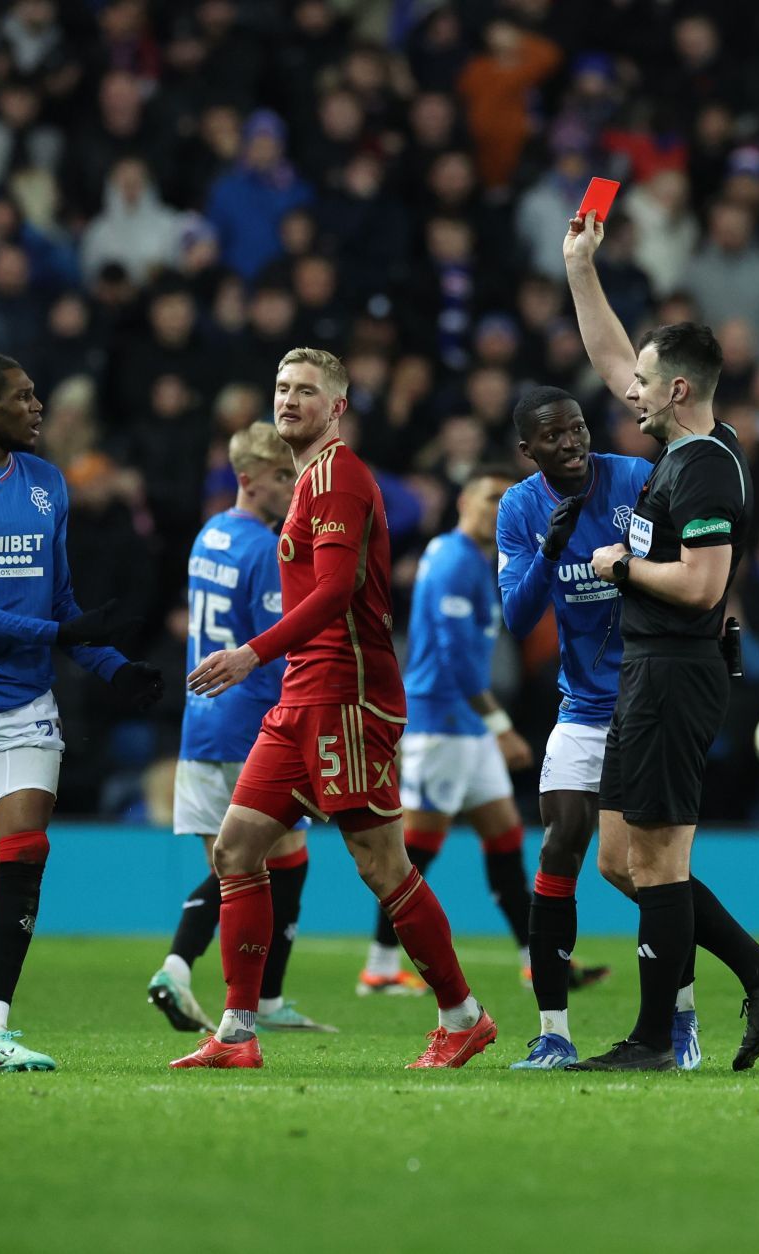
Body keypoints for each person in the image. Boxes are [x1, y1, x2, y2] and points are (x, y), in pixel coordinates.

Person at [173, 348, 494, 1070]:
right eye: (282, 387)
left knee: (382, 864)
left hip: (346, 696)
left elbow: (335, 590)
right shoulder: (310, 481)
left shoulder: (340, 477)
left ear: (337, 407)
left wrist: (252, 653)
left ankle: (463, 1016)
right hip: (302, 697)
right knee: (236, 850)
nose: (289, 399)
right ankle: (236, 1033)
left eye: (306, 391)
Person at [560, 209, 759, 1071]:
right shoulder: (684, 449)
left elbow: (703, 584)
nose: (630, 388)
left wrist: (617, 569)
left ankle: (652, 1040)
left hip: (677, 667)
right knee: (621, 861)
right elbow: (610, 358)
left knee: (660, 858)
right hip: (645, 668)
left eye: (647, 380)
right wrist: (581, 269)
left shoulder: (704, 467)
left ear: (678, 391)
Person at [0, 352, 164, 1072]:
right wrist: (57, 638)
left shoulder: (48, 485)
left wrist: (112, 668)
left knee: (25, 851)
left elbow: (61, 606)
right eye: (24, 397)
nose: (38, 406)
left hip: (23, 695)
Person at [147, 421, 333, 1037]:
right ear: (247, 479)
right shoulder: (262, 549)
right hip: (251, 723)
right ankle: (203, 979)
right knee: (255, 864)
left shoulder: (209, 537)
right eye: (283, 476)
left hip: (200, 724)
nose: (292, 485)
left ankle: (250, 993)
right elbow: (274, 649)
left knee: (264, 861)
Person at [497, 386, 662, 1070]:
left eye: (578, 428)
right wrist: (550, 549)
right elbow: (516, 616)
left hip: (650, 700)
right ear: (527, 450)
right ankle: (554, 1032)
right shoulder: (520, 507)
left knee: (648, 869)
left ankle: (676, 1022)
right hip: (584, 706)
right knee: (560, 843)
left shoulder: (637, 479)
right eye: (554, 435)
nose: (571, 442)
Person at [357, 466, 540, 994]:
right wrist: (501, 726)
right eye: (489, 497)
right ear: (464, 501)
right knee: (416, 849)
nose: (497, 508)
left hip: (466, 729)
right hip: (444, 725)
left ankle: (538, 959)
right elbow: (458, 662)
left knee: (504, 836)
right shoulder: (457, 562)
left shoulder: (472, 562)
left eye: (507, 500)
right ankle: (380, 967)